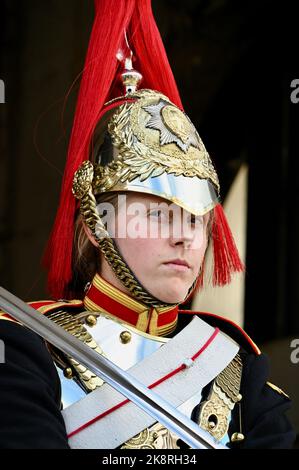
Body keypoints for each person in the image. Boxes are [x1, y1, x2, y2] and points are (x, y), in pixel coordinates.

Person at [0, 0, 295, 449]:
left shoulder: (237, 365)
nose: (185, 236)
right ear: (96, 224)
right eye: (158, 214)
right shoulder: (27, 348)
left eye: (196, 219)